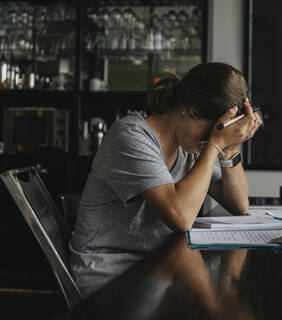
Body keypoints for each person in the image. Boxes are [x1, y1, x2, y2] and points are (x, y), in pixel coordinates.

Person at [69, 62, 262, 291]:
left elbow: (238, 205)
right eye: (212, 130)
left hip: (159, 266)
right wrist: (215, 142)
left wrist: (230, 147)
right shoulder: (131, 137)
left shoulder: (191, 147)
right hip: (110, 274)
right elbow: (180, 216)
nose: (210, 140)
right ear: (188, 109)